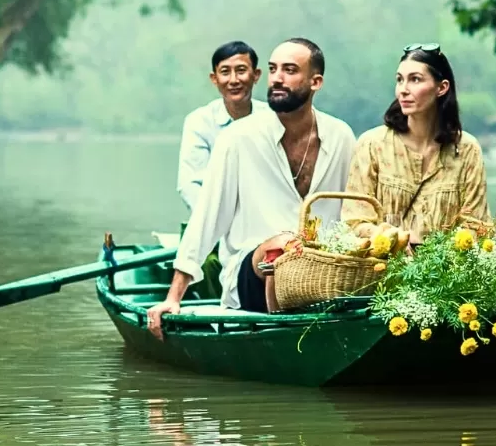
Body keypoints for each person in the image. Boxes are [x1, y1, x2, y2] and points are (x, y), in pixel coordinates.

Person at [148, 38, 355, 336]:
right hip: (253, 269)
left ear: (316, 82)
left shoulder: (341, 136)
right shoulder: (238, 139)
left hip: (323, 271)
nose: (278, 78)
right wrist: (173, 297)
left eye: (290, 70)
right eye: (273, 69)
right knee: (284, 245)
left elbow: (355, 211)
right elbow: (207, 218)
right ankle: (280, 335)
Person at [340, 44, 487, 240]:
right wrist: (389, 239)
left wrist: (441, 258)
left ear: (441, 88)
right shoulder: (372, 144)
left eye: (415, 80)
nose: (403, 90)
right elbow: (355, 220)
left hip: (445, 268)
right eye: (400, 80)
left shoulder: (467, 149)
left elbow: (476, 224)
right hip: (382, 265)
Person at [177, 40, 261, 209]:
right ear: (214, 79)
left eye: (241, 71)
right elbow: (190, 184)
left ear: (256, 75)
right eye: (225, 72)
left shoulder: (273, 118)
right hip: (215, 215)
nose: (234, 80)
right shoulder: (199, 122)